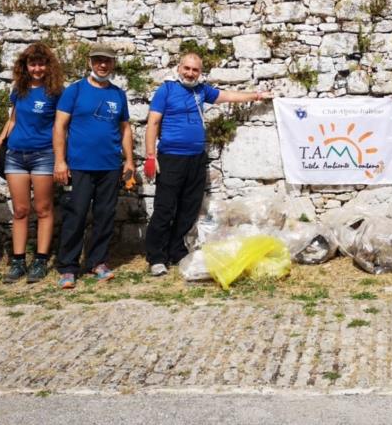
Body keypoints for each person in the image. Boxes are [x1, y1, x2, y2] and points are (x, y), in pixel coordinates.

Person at [144, 52, 274, 275]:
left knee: (189, 208)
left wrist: (258, 95)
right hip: (171, 157)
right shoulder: (166, 90)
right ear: (179, 68)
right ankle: (157, 257)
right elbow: (153, 122)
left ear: (200, 72)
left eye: (195, 70)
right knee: (165, 208)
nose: (190, 73)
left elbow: (229, 96)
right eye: (187, 68)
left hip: (196, 157)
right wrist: (149, 156)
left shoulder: (201, 91)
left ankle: (177, 252)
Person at [53, 42, 135, 288]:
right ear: (90, 62)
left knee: (104, 216)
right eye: (98, 60)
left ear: (113, 64)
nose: (102, 64)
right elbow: (59, 126)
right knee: (75, 215)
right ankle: (68, 267)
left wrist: (129, 160)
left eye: (107, 61)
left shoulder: (118, 94)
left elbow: (125, 129)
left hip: (110, 165)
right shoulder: (75, 91)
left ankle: (97, 261)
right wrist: (60, 161)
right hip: (79, 165)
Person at [0, 43, 64, 284]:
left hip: (43, 155)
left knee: (43, 209)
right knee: (20, 210)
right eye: (33, 63)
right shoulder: (19, 89)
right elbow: (13, 119)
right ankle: (18, 260)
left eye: (41, 63)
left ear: (48, 65)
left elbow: (60, 127)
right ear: (25, 66)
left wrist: (61, 157)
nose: (37, 68)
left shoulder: (55, 92)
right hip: (16, 155)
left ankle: (40, 260)